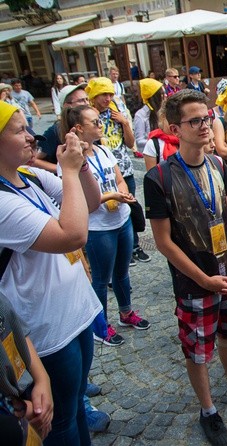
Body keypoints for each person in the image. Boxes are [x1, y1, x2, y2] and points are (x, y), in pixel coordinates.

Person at [144, 90, 227, 445]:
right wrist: (203, 278)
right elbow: (164, 242)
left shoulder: (219, 164)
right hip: (194, 280)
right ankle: (208, 410)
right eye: (195, 120)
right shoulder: (158, 178)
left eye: (208, 117)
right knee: (197, 348)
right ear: (176, 128)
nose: (205, 125)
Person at [0, 100, 103, 445]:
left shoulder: (30, 176)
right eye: (19, 131)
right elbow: (72, 234)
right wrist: (69, 172)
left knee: (74, 406)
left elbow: (89, 203)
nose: (31, 137)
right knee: (61, 422)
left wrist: (81, 165)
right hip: (44, 329)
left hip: (74, 312)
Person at [61, 104, 151, 346]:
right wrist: (111, 196)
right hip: (98, 227)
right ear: (78, 128)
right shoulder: (71, 161)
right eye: (95, 122)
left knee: (122, 273)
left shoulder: (103, 151)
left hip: (120, 220)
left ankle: (126, 313)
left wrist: (122, 192)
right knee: (101, 279)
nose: (101, 125)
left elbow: (119, 179)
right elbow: (78, 200)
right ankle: (100, 326)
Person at [87, 77, 150, 265]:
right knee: (109, 211)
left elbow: (131, 144)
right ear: (94, 96)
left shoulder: (117, 114)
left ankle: (134, 246)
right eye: (103, 94)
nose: (107, 98)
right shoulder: (91, 118)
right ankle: (121, 251)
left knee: (129, 207)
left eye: (110, 94)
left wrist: (124, 122)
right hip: (103, 173)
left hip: (124, 168)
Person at [0, 291, 53, 441]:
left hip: (24, 391)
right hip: (12, 417)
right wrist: (22, 409)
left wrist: (42, 378)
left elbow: (14, 324)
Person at [133, 78, 165, 154]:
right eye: (162, 94)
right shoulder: (140, 115)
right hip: (153, 155)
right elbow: (139, 141)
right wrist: (158, 142)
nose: (165, 96)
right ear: (155, 96)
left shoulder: (164, 110)